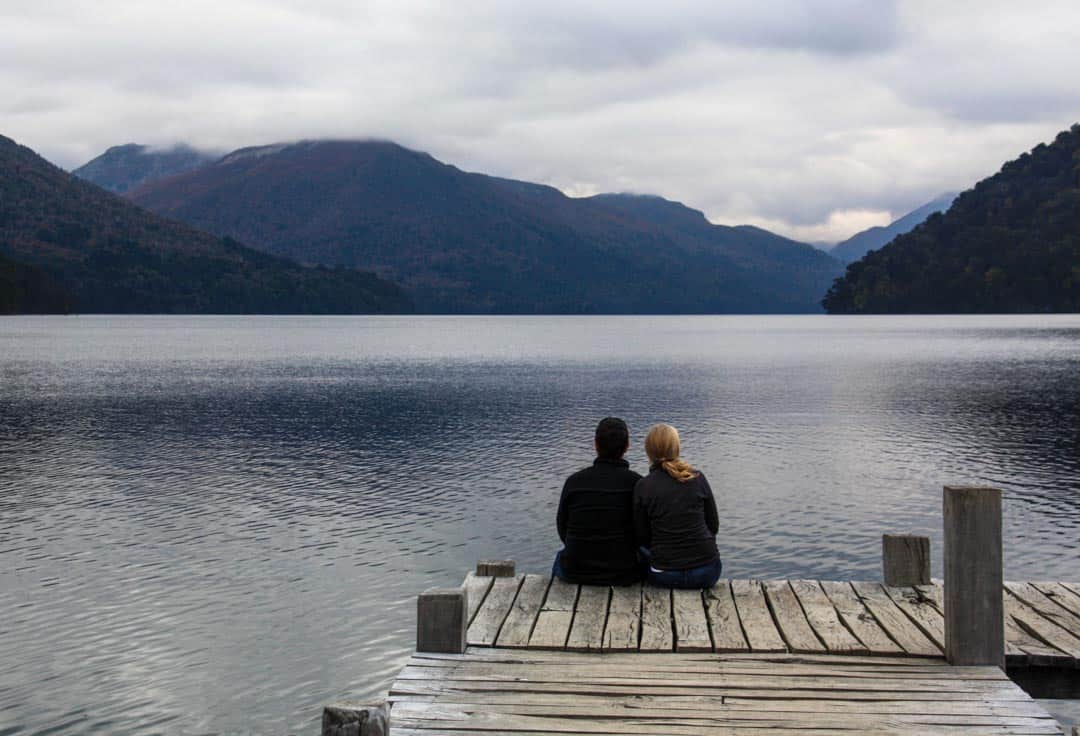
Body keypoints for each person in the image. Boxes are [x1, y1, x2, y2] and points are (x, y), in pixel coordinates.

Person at [552, 417, 643, 586]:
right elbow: (644, 533)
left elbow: (562, 528)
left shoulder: (574, 482)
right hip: (624, 573)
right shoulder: (638, 484)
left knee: (560, 557)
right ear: (627, 447)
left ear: (595, 444)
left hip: (575, 571)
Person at [633, 423, 722, 589]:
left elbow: (641, 537)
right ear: (677, 448)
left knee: (637, 549)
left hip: (665, 575)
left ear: (649, 451)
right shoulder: (697, 477)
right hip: (708, 572)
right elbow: (713, 526)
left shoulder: (643, 486)